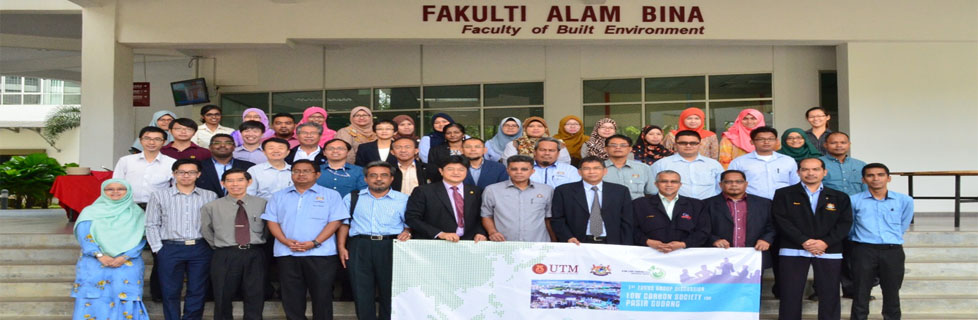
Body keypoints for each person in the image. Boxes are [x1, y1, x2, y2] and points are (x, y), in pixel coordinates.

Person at [261, 159, 348, 320]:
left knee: (322, 297)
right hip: (287, 253)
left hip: (321, 254)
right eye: (296, 171)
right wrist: (285, 241)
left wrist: (315, 242)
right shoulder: (279, 196)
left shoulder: (331, 195)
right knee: (292, 298)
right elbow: (271, 221)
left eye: (306, 171)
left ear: (317, 174)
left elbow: (335, 221)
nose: (300, 174)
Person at [772, 157, 853, 320]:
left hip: (828, 250)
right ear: (798, 172)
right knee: (790, 293)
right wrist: (804, 240)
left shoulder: (840, 197)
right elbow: (780, 220)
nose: (810, 173)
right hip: (793, 249)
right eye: (805, 169)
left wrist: (825, 242)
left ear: (824, 172)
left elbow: (845, 223)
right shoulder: (783, 194)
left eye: (815, 169)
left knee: (830, 293)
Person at [336, 161, 411, 320]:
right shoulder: (353, 197)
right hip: (359, 246)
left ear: (391, 178)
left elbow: (410, 224)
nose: (378, 179)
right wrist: (342, 247)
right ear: (365, 179)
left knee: (390, 290)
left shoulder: (403, 199)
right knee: (361, 290)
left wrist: (407, 231)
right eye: (373, 175)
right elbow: (344, 224)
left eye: (384, 175)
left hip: (391, 246)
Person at [145, 158, 219, 320]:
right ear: (174, 174)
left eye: (191, 172)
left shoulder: (209, 196)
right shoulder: (159, 196)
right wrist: (158, 249)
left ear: (198, 174)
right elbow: (151, 224)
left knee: (197, 290)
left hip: (200, 247)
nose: (186, 175)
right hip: (170, 248)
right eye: (181, 172)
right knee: (170, 290)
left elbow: (215, 223)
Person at [71, 179, 150, 320]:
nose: (115, 192)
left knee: (126, 296)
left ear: (128, 192)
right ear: (103, 191)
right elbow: (85, 236)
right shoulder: (90, 212)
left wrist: (124, 256)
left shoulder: (137, 213)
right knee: (93, 297)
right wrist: (99, 255)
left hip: (127, 262)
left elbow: (142, 238)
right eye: (110, 189)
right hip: (95, 263)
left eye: (120, 189)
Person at [199, 168, 268, 320]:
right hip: (225, 254)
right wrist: (221, 246)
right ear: (222, 183)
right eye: (230, 181)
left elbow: (268, 229)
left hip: (254, 253)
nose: (235, 184)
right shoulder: (211, 206)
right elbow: (207, 231)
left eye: (240, 180)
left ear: (249, 182)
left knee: (255, 295)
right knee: (223, 295)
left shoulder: (263, 204)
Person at [848, 163, 914, 320]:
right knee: (860, 291)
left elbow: (904, 223)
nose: (875, 178)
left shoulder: (904, 200)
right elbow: (850, 226)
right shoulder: (853, 200)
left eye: (880, 175)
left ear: (888, 178)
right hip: (863, 250)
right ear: (863, 180)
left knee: (892, 291)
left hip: (892, 251)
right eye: (870, 175)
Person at [551, 156, 634, 245]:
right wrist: (568, 237)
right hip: (577, 242)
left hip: (612, 242)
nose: (592, 172)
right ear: (579, 172)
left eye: (596, 168)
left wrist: (626, 244)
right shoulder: (564, 191)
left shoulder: (620, 191)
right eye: (586, 168)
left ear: (605, 171)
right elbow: (558, 219)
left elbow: (627, 220)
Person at [405, 155, 488, 242]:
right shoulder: (423, 191)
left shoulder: (476, 191)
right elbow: (412, 218)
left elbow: (482, 216)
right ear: (441, 171)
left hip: (469, 242)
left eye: (461, 169)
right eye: (450, 169)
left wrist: (480, 232)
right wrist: (440, 233)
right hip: (436, 243)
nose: (456, 172)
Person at [704, 170, 775, 268]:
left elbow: (773, 225)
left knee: (752, 283)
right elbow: (701, 228)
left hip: (754, 256)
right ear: (720, 184)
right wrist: (714, 240)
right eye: (728, 182)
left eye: (739, 182)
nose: (734, 185)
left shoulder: (764, 203)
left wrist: (766, 240)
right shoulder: (706, 204)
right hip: (719, 257)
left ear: (746, 184)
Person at [481, 155, 555, 242]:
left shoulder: (546, 190)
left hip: (538, 243)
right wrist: (492, 232)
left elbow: (549, 219)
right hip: (503, 243)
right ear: (507, 170)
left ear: (532, 171)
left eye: (524, 169)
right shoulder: (492, 190)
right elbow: (486, 215)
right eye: (514, 169)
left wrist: (554, 241)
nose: (519, 172)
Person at [633, 170, 711, 252]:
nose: (669, 185)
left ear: (680, 185)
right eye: (664, 181)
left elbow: (704, 230)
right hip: (648, 254)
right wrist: (647, 241)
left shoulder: (696, 205)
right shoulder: (639, 204)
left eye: (674, 182)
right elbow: (632, 229)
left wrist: (683, 244)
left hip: (686, 255)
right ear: (656, 184)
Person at [727, 126, 800, 200]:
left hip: (783, 202)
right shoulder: (739, 162)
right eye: (761, 139)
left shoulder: (788, 161)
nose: (766, 142)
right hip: (752, 204)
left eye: (770, 139)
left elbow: (795, 184)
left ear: (776, 141)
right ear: (752, 142)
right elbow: (730, 185)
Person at [650, 130, 724, 200]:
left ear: (700, 144)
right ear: (675, 144)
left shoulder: (713, 164)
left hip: (708, 206)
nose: (688, 146)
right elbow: (652, 189)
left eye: (693, 143)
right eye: (683, 143)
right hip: (674, 207)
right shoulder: (661, 164)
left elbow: (721, 187)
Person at [114, 126, 177, 206]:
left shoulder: (172, 163)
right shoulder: (125, 161)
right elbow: (116, 184)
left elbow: (177, 188)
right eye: (147, 138)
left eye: (157, 139)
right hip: (129, 206)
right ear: (140, 140)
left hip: (159, 207)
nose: (151, 143)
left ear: (164, 142)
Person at [602, 134, 655, 199]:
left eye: (623, 145)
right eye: (613, 145)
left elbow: (652, 192)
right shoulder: (597, 168)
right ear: (606, 149)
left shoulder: (643, 168)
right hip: (609, 207)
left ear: (630, 149)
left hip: (636, 207)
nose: (618, 147)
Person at [501, 117, 572, 164]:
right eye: (531, 126)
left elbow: (564, 162)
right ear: (525, 129)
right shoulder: (515, 143)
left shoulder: (557, 143)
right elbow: (508, 163)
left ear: (545, 129)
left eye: (540, 126)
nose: (535, 128)